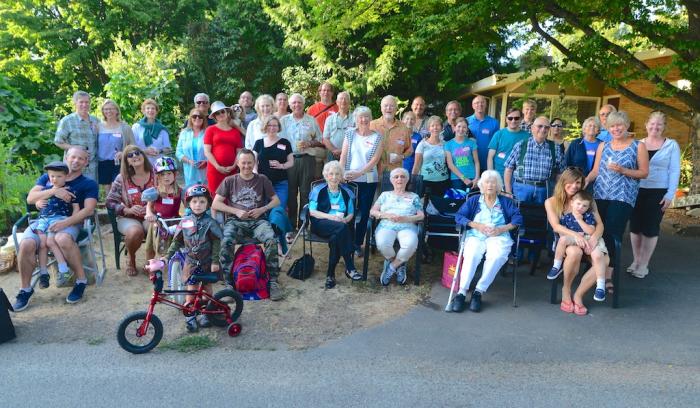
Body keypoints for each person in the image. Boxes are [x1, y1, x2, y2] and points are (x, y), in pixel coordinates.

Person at [13, 148, 99, 311]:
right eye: (73, 156)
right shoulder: (50, 176)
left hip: (70, 221)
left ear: (86, 163)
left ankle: (81, 281)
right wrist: (53, 191)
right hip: (43, 221)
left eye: (81, 158)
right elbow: (31, 199)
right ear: (66, 157)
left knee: (62, 239)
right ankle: (25, 289)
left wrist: (65, 223)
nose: (76, 160)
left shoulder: (88, 183)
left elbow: (88, 210)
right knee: (26, 244)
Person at [585, 111, 649, 294]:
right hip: (600, 195)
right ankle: (595, 267)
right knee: (596, 231)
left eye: (619, 125)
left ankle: (607, 276)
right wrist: (585, 180)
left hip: (622, 197)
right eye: (612, 126)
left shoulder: (638, 146)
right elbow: (596, 171)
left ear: (627, 125)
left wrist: (623, 170)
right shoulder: (603, 145)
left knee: (612, 232)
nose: (616, 129)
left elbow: (644, 172)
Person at [213, 149, 283, 301]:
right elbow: (215, 203)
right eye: (243, 162)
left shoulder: (262, 179)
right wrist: (235, 211)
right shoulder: (229, 181)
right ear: (238, 163)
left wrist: (262, 209)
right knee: (226, 241)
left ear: (255, 163)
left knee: (271, 239)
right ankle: (228, 283)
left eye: (249, 162)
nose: (246, 166)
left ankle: (273, 281)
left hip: (258, 222)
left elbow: (276, 201)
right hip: (235, 222)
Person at [452, 170, 522, 313]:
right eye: (487, 182)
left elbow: (518, 219)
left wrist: (501, 229)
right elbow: (459, 216)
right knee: (471, 255)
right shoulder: (473, 200)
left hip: (499, 236)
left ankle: (478, 291)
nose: (490, 185)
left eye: (493, 182)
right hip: (476, 235)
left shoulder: (506, 202)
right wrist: (477, 225)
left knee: (496, 256)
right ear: (481, 185)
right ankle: (462, 292)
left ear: (498, 186)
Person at [545, 167, 609, 315]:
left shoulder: (587, 200)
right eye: (571, 182)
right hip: (567, 240)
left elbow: (599, 224)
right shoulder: (552, 202)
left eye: (578, 183)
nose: (574, 186)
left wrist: (593, 239)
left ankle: (578, 295)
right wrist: (577, 235)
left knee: (604, 260)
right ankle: (566, 290)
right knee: (574, 253)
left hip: (589, 237)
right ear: (563, 182)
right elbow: (556, 226)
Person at [628, 112, 681, 279]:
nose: (655, 127)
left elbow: (674, 171)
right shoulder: (638, 144)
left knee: (650, 228)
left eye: (659, 124)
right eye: (652, 124)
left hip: (659, 191)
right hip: (637, 190)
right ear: (646, 124)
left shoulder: (671, 145)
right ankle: (636, 260)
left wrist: (670, 194)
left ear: (664, 127)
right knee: (635, 226)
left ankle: (644, 264)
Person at [164, 184, 223, 332]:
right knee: (191, 290)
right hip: (191, 264)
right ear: (189, 203)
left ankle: (205, 313)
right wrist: (167, 257)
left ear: (208, 204)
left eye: (202, 202)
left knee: (208, 289)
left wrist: (215, 261)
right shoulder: (184, 222)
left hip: (208, 263)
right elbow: (176, 242)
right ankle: (190, 315)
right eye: (194, 201)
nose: (198, 205)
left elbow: (217, 242)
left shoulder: (211, 223)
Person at [308, 161, 360, 289]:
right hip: (321, 223)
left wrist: (345, 220)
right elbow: (312, 212)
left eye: (337, 174)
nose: (334, 177)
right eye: (331, 174)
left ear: (341, 176)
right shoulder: (318, 190)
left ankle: (330, 275)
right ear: (325, 175)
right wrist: (331, 217)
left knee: (336, 237)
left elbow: (351, 213)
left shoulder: (347, 192)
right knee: (341, 229)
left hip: (340, 226)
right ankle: (350, 266)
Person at [340, 106, 384, 256]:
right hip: (350, 180)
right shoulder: (350, 134)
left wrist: (359, 173)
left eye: (366, 116)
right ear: (356, 119)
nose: (364, 119)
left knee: (364, 212)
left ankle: (358, 243)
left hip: (368, 180)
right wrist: (341, 174)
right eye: (360, 117)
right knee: (349, 210)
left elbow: (375, 160)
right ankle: (347, 240)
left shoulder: (377, 137)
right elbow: (343, 156)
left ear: (370, 118)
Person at [106, 145, 156, 276]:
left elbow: (168, 194)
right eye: (130, 155)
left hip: (150, 215)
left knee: (155, 227)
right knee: (135, 232)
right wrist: (127, 210)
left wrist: (151, 208)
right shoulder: (121, 178)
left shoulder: (157, 174)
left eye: (137, 153)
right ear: (126, 160)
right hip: (128, 217)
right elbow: (110, 202)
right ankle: (131, 259)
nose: (135, 156)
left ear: (143, 155)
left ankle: (150, 261)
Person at [370, 167, 424, 286]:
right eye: (396, 176)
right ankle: (399, 262)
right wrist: (386, 215)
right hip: (387, 224)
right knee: (383, 243)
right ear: (391, 180)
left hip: (407, 225)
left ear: (407, 179)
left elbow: (421, 216)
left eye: (403, 176)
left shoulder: (413, 196)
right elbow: (373, 211)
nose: (399, 179)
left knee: (410, 244)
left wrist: (406, 218)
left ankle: (392, 267)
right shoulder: (384, 195)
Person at [30, 162, 80, 289]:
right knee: (42, 244)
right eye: (52, 176)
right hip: (43, 220)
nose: (54, 179)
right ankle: (43, 273)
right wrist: (38, 202)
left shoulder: (70, 190)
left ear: (65, 177)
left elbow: (76, 208)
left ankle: (63, 270)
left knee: (51, 242)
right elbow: (34, 199)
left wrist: (71, 220)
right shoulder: (46, 190)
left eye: (58, 176)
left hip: (58, 219)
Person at [281, 93, 323, 232]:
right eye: (293, 103)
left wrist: (310, 143)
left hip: (307, 159)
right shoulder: (284, 121)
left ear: (303, 104)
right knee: (291, 193)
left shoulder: (311, 120)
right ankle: (291, 225)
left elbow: (320, 139)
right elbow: (278, 140)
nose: (296, 105)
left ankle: (303, 225)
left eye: (299, 102)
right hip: (290, 159)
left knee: (305, 192)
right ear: (290, 105)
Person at [504, 116, 565, 203]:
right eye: (540, 126)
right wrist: (508, 191)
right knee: (519, 215)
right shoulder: (520, 145)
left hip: (545, 190)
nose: (543, 129)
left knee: (541, 216)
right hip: (521, 188)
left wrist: (558, 192)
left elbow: (560, 173)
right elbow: (508, 170)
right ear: (532, 128)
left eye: (546, 127)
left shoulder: (555, 148)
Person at [54, 90, 99, 181]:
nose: (84, 105)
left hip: (92, 167)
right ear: (75, 103)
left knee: (91, 192)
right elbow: (58, 142)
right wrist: (75, 148)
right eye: (81, 102)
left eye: (87, 102)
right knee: (72, 192)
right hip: (73, 166)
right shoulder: (67, 121)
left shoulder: (96, 121)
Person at [144, 157, 182, 261]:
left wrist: (188, 214)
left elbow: (188, 206)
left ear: (175, 174)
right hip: (158, 222)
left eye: (169, 173)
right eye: (162, 174)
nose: (166, 177)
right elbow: (149, 206)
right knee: (150, 247)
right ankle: (150, 266)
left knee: (173, 245)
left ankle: (172, 266)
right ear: (157, 176)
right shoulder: (155, 191)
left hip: (173, 221)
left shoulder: (179, 191)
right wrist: (149, 214)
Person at [253, 116, 294, 210]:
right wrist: (255, 173)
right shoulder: (258, 143)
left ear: (278, 127)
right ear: (265, 127)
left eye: (275, 125)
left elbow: (291, 162)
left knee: (279, 209)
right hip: (262, 183)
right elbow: (253, 161)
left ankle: (277, 225)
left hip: (280, 183)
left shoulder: (285, 142)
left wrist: (281, 165)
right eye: (269, 125)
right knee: (263, 209)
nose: (272, 127)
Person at [204, 101, 244, 194]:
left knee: (231, 196)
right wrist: (218, 167)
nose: (220, 114)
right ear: (214, 117)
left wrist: (234, 166)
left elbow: (239, 152)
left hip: (232, 170)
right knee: (215, 197)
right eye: (217, 113)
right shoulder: (210, 130)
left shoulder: (235, 131)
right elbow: (207, 152)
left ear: (227, 112)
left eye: (222, 111)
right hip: (214, 170)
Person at [96, 99, 135, 192]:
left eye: (111, 109)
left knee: (116, 187)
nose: (108, 111)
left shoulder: (125, 127)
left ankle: (119, 205)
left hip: (118, 162)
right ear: (103, 111)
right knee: (107, 189)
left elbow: (133, 145)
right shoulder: (98, 127)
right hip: (102, 162)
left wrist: (124, 153)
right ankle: (109, 206)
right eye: (106, 109)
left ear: (117, 110)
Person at [370, 95, 413, 173]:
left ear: (396, 108)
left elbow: (409, 149)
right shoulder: (372, 126)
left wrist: (401, 157)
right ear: (381, 108)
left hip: (395, 174)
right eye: (386, 106)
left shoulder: (403, 128)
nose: (388, 108)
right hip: (373, 173)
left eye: (392, 106)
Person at [487, 108, 530, 180]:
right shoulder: (498, 134)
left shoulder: (527, 136)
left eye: (516, 118)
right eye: (510, 118)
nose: (513, 121)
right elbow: (490, 157)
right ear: (506, 119)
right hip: (499, 176)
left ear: (521, 119)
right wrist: (491, 176)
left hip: (519, 178)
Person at [412, 115, 449, 196]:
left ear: (442, 128)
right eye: (432, 125)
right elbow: (417, 165)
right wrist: (413, 181)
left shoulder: (446, 144)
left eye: (438, 125)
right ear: (429, 128)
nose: (435, 128)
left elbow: (449, 163)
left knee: (440, 206)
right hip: (425, 181)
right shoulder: (422, 144)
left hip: (442, 180)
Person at [132, 98, 172, 166]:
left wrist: (159, 151)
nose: (150, 110)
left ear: (156, 111)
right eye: (148, 108)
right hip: (141, 163)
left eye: (153, 108)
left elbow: (168, 148)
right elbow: (132, 147)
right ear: (143, 111)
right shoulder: (136, 127)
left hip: (159, 165)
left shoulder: (162, 129)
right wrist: (144, 151)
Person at [176, 108, 208, 188]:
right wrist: (189, 161)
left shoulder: (208, 132)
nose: (197, 118)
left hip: (205, 170)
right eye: (194, 116)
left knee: (205, 194)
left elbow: (213, 151)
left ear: (203, 119)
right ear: (190, 118)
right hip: (189, 170)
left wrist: (207, 161)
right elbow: (178, 152)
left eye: (200, 116)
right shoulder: (184, 133)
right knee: (191, 194)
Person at [445, 117, 479, 190]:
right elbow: (450, 165)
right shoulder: (448, 144)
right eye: (459, 126)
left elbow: (476, 162)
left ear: (467, 129)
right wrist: (464, 179)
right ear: (454, 128)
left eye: (464, 127)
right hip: (457, 179)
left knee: (471, 200)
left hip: (472, 177)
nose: (461, 129)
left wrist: (477, 177)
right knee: (458, 201)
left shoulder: (472, 143)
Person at [467, 95, 499, 170]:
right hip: (470, 161)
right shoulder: (466, 122)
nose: (480, 105)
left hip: (488, 161)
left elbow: (497, 143)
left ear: (486, 105)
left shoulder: (494, 122)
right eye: (477, 103)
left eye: (482, 102)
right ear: (473, 106)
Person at [322, 91, 354, 161]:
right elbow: (325, 138)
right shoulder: (330, 119)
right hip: (332, 154)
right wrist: (334, 150)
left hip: (350, 154)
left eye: (346, 99)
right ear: (337, 102)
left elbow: (358, 137)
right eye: (341, 99)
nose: (343, 101)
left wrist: (344, 151)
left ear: (349, 102)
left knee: (348, 172)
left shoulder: (355, 119)